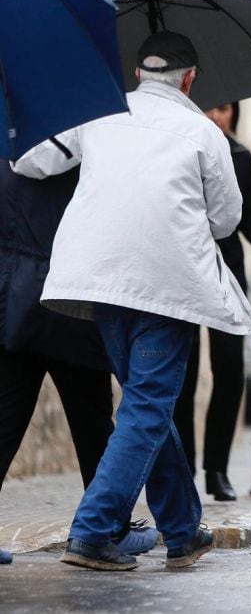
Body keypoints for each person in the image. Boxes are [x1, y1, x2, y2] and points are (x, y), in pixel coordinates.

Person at [13, 31, 251, 572]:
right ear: (190, 80)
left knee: (148, 407)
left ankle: (180, 529)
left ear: (139, 75)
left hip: (97, 281)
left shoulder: (101, 113)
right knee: (147, 407)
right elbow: (226, 220)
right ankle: (94, 531)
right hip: (167, 285)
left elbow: (32, 162)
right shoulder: (203, 132)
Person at [0, 166, 157, 562]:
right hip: (73, 298)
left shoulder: (13, 142)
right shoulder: (91, 145)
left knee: (6, 417)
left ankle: (109, 529)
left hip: (17, 297)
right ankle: (109, 530)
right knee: (93, 423)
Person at [172, 100, 251, 501]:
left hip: (227, 276)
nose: (217, 117)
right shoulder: (178, 148)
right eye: (209, 109)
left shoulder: (240, 156)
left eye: (224, 109)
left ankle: (216, 469)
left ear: (235, 113)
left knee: (230, 370)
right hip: (182, 273)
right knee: (182, 376)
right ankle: (184, 469)